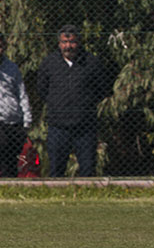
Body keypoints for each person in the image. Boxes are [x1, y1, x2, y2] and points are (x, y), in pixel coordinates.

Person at [37, 25, 112, 177]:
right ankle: (55, 198)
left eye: (72, 42)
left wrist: (86, 104)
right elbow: (42, 90)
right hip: (58, 125)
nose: (68, 46)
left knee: (87, 169)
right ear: (59, 43)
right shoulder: (49, 63)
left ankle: (87, 197)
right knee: (56, 169)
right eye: (64, 42)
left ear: (78, 42)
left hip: (85, 126)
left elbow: (102, 89)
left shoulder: (91, 62)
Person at [0, 32, 32, 177]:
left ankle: (10, 186)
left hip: (13, 121)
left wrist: (26, 118)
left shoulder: (12, 68)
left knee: (11, 160)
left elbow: (21, 93)